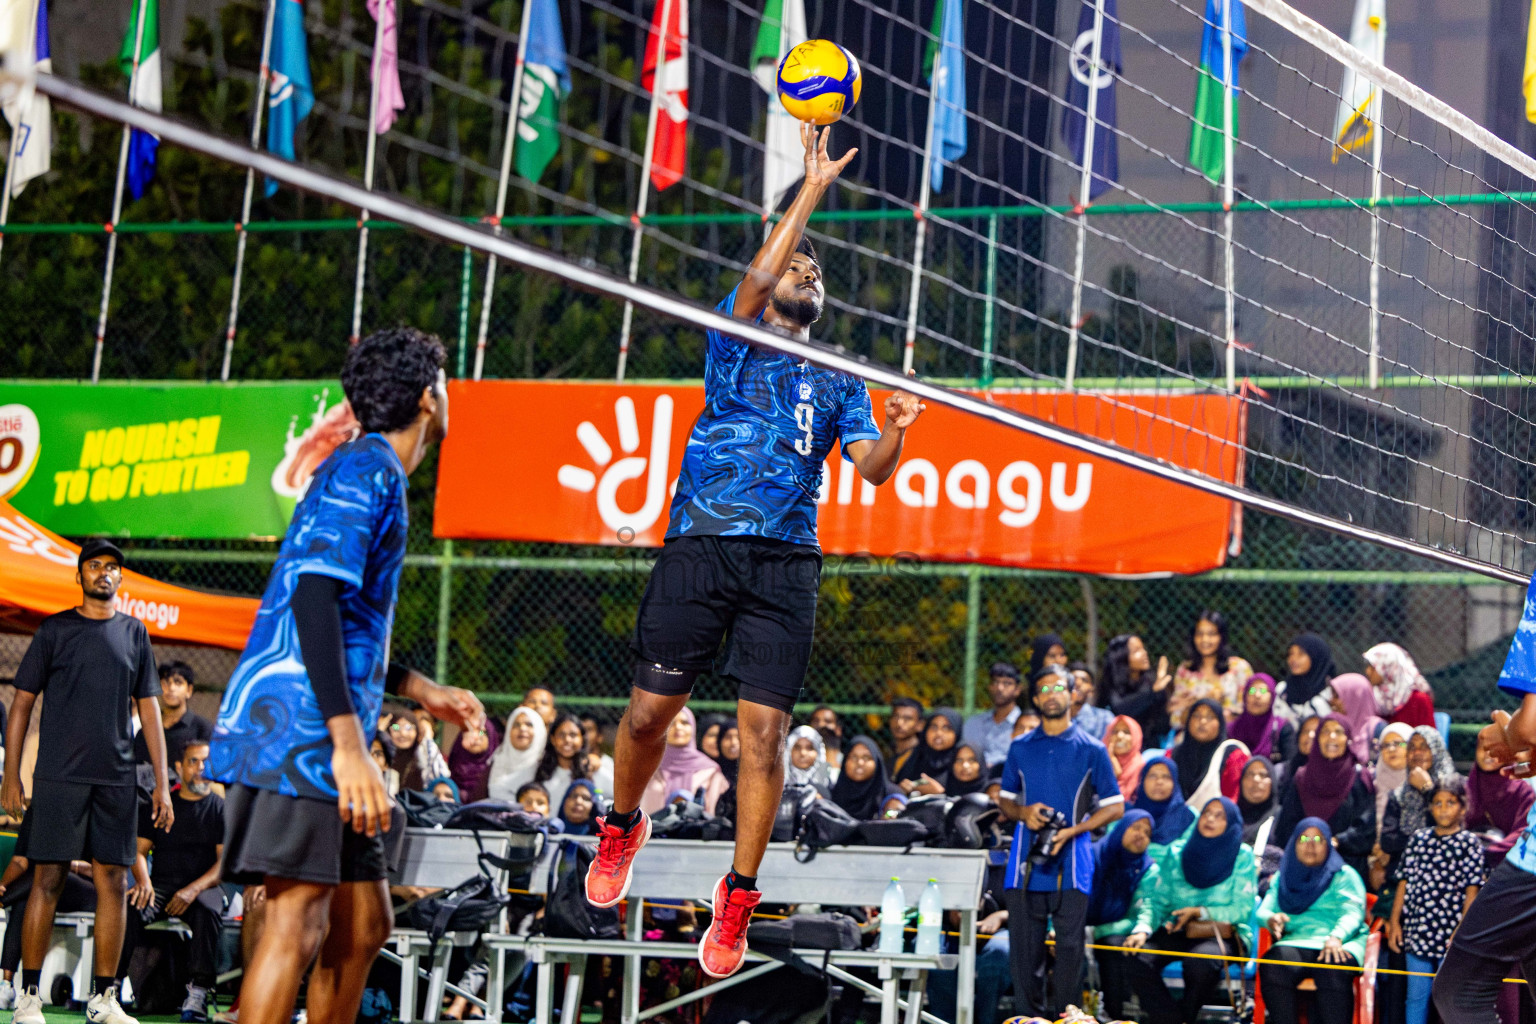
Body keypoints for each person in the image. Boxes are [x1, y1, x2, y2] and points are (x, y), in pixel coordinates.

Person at [585, 125, 927, 979]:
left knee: (765, 738)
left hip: (785, 563)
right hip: (703, 543)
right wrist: (809, 189)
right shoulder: (736, 337)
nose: (808, 276)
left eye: (819, 272)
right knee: (645, 718)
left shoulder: (841, 379)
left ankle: (737, 893)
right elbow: (761, 275)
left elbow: (873, 473)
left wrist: (896, 434)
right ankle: (624, 824)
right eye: (799, 268)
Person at [204, 329, 487, 1024]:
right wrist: (348, 746)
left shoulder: (372, 471)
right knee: (296, 919)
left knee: (363, 927)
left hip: (323, 728)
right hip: (301, 733)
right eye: (444, 383)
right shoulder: (364, 469)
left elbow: (344, 616)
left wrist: (418, 688)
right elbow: (311, 600)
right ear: (428, 398)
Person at [2, 538, 174, 1024]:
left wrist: (162, 782)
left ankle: (104, 999)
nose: (103, 572)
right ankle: (29, 997)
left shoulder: (135, 632)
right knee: (48, 878)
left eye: (112, 567)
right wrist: (11, 775)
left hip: (117, 779)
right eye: (94, 565)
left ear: (121, 579)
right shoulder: (54, 630)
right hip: (58, 776)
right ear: (79, 576)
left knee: (114, 884)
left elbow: (150, 711)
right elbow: (21, 704)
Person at [997, 662, 1124, 1019]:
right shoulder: (1020, 747)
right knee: (1024, 956)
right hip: (1024, 863)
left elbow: (1115, 807)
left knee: (1069, 952)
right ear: (1036, 698)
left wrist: (1073, 831)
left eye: (1059, 688)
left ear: (1073, 694)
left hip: (1073, 863)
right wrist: (1023, 813)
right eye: (1044, 690)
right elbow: (1004, 799)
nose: (1052, 695)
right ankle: (1027, 1018)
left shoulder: (1092, 749)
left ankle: (1068, 1019)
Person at [1123, 797, 1256, 1024]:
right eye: (1207, 813)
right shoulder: (1177, 853)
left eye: (1219, 816)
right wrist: (1142, 929)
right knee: (1136, 956)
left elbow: (1241, 909)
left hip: (1220, 932)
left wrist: (1199, 912)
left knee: (1200, 963)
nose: (1210, 819)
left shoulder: (1242, 855)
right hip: (1178, 927)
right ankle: (1172, 1020)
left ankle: (1187, 1015)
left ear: (1231, 823)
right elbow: (1157, 901)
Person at [125, 741, 226, 1022]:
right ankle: (109, 989)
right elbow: (138, 852)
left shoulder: (220, 808)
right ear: (179, 767)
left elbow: (223, 864)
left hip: (203, 886)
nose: (201, 769)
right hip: (160, 886)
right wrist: (143, 881)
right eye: (194, 762)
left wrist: (193, 889)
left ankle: (197, 992)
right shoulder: (160, 805)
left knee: (208, 911)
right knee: (129, 905)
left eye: (206, 763)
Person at [1388, 779, 1483, 1024]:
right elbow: (1404, 882)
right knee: (1416, 996)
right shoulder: (1419, 840)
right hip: (1418, 930)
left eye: (1450, 803)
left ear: (1462, 808)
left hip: (1451, 934)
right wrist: (1395, 922)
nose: (1443, 808)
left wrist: (1462, 930)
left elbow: (1472, 890)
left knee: (1448, 998)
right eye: (1437, 803)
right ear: (1430, 808)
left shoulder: (1469, 844)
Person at [1258, 818, 1370, 1024]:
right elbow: (1264, 910)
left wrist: (1337, 936)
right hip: (1299, 940)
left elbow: (1353, 912)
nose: (1310, 844)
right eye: (1304, 838)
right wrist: (1271, 918)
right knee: (1272, 965)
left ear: (1328, 843)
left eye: (1318, 838)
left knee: (1331, 967)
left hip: (1341, 941)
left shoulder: (1343, 875)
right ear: (1294, 843)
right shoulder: (1284, 876)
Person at [1274, 715, 1376, 877]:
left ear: (1348, 739)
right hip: (1303, 866)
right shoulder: (1302, 778)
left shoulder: (1359, 777)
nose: (1332, 737)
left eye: (1338, 731)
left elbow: (1366, 827)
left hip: (1345, 869)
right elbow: (1286, 825)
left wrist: (1338, 841)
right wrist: (1307, 845)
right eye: (1325, 731)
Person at [1086, 810, 1159, 1021]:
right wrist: (1056, 928)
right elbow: (1065, 896)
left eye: (1147, 832)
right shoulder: (1092, 855)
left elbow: (1143, 909)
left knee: (1114, 946)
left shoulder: (1147, 868)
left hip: (1113, 928)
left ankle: (1112, 1016)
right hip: (1073, 924)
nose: (1141, 835)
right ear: (1120, 829)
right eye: (1135, 827)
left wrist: (1141, 931)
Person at [1380, 726, 1460, 877]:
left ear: (1437, 750)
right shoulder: (1399, 795)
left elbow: (1449, 829)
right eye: (1412, 747)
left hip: (1446, 873)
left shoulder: (1457, 790)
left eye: (1424, 746)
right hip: (1405, 875)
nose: (1417, 752)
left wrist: (1427, 789)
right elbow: (1388, 842)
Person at [1466, 727, 1536, 870]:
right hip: (1466, 860)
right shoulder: (1467, 786)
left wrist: (1489, 852)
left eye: (1496, 749)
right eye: (1483, 748)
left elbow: (1524, 832)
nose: (1488, 754)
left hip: (1507, 862)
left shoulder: (1522, 791)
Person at [639, 709, 730, 816]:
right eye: (670, 723)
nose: (678, 727)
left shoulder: (710, 770)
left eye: (684, 723)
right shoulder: (648, 767)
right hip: (651, 830)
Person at [1170, 611, 1253, 728]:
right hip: (1194, 738)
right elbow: (1176, 719)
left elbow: (1251, 712)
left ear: (1221, 637)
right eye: (1199, 634)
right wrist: (1204, 701)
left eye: (1211, 634)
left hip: (1231, 735)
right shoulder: (1185, 670)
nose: (1205, 639)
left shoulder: (1239, 668)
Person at [134, 661, 215, 769]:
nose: (171, 688)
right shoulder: (146, 732)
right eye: (166, 682)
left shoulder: (203, 729)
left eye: (178, 682)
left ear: (189, 690)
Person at [1098, 634, 1173, 744]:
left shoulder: (1151, 683)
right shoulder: (1111, 683)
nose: (1144, 653)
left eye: (1143, 649)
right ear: (1122, 656)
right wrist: (1152, 692)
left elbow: (1162, 726)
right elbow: (1120, 710)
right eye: (1137, 651)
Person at [535, 712, 606, 810]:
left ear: (582, 739)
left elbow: (621, 792)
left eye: (573, 735)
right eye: (561, 735)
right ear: (552, 739)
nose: (567, 740)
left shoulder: (591, 769)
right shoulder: (539, 769)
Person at [962, 662, 1022, 769]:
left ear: (1017, 690)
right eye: (995, 682)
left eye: (1007, 683)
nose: (999, 688)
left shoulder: (1027, 725)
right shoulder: (974, 723)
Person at [1363, 643, 1437, 729]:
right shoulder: (1372, 697)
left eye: (1373, 667)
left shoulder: (1419, 699)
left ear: (1389, 666)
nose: (1367, 672)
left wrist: (1401, 743)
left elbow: (1427, 739)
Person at [1228, 673, 1298, 764]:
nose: (1257, 695)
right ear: (1245, 695)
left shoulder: (1282, 729)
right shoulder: (1231, 729)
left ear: (1272, 696)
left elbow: (1288, 766)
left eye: (1263, 691)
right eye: (1252, 690)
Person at [1169, 699, 1230, 800]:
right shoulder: (1174, 754)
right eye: (1196, 716)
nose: (1202, 721)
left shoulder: (1230, 756)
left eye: (1210, 717)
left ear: (1220, 723)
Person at [1131, 756, 1196, 850]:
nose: (1159, 782)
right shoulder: (1128, 815)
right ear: (1142, 780)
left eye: (1166, 777)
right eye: (1152, 776)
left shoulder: (1188, 817)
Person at [382, 705, 450, 793]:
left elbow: (441, 777)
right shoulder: (384, 757)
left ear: (417, 731)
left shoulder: (422, 757)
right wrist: (380, 734)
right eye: (396, 727)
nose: (403, 733)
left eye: (408, 728)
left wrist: (428, 739)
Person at [486, 707, 547, 802]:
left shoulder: (547, 765)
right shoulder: (496, 761)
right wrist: (480, 733)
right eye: (516, 725)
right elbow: (484, 731)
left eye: (529, 724)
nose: (522, 729)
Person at [895, 709, 962, 796]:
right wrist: (902, 790)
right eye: (934, 727)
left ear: (956, 733)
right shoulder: (915, 758)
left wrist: (940, 793)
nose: (939, 733)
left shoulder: (962, 762)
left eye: (946, 728)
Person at [829, 737, 895, 820]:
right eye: (854, 757)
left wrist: (890, 813)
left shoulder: (889, 793)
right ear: (845, 761)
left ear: (877, 762)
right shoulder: (832, 794)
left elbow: (896, 810)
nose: (860, 763)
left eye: (866, 758)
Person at [1328, 672, 1385, 765]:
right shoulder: (1337, 731)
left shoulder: (1378, 730)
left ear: (1354, 697)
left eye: (1336, 696)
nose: (1331, 701)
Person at [1279, 634, 1336, 723]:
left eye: (1301, 654)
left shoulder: (1330, 695)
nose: (1293, 659)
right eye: (1290, 654)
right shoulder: (1282, 690)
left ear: (1316, 658)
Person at [446, 717, 500, 804]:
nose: (476, 737)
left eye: (481, 732)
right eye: (470, 732)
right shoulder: (455, 765)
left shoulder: (497, 768)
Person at [1236, 755, 1278, 847]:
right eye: (1250, 774)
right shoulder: (1231, 817)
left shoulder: (1281, 817)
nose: (1256, 780)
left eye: (1263, 775)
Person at [1068, 662, 1113, 740]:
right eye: (1073, 679)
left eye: (1084, 680)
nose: (1078, 683)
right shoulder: (1052, 717)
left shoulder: (1104, 719)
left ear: (1091, 690)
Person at [784, 725, 832, 796]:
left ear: (818, 752)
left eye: (809, 748)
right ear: (789, 751)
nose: (803, 753)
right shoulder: (777, 785)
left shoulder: (828, 785)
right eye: (797, 747)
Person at [1105, 715, 1145, 802]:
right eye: (1115, 732)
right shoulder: (1097, 764)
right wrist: (1111, 762)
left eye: (1126, 732)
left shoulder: (1142, 769)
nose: (1120, 736)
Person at [886, 698, 926, 781]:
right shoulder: (888, 754)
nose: (899, 723)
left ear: (920, 725)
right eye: (895, 717)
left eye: (907, 719)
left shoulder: (924, 757)